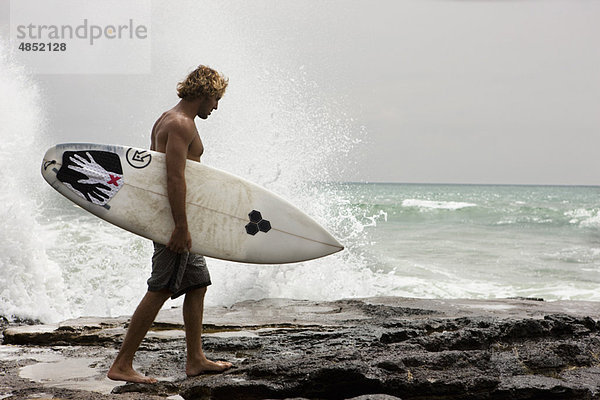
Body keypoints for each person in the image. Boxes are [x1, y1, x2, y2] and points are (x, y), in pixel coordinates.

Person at [107, 65, 232, 384]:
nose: (215, 107)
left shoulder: (171, 118)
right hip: (172, 221)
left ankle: (195, 359)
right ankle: (122, 364)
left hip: (181, 218)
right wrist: (179, 227)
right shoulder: (180, 124)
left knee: (198, 283)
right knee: (160, 287)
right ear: (204, 93)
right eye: (215, 99)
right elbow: (173, 177)